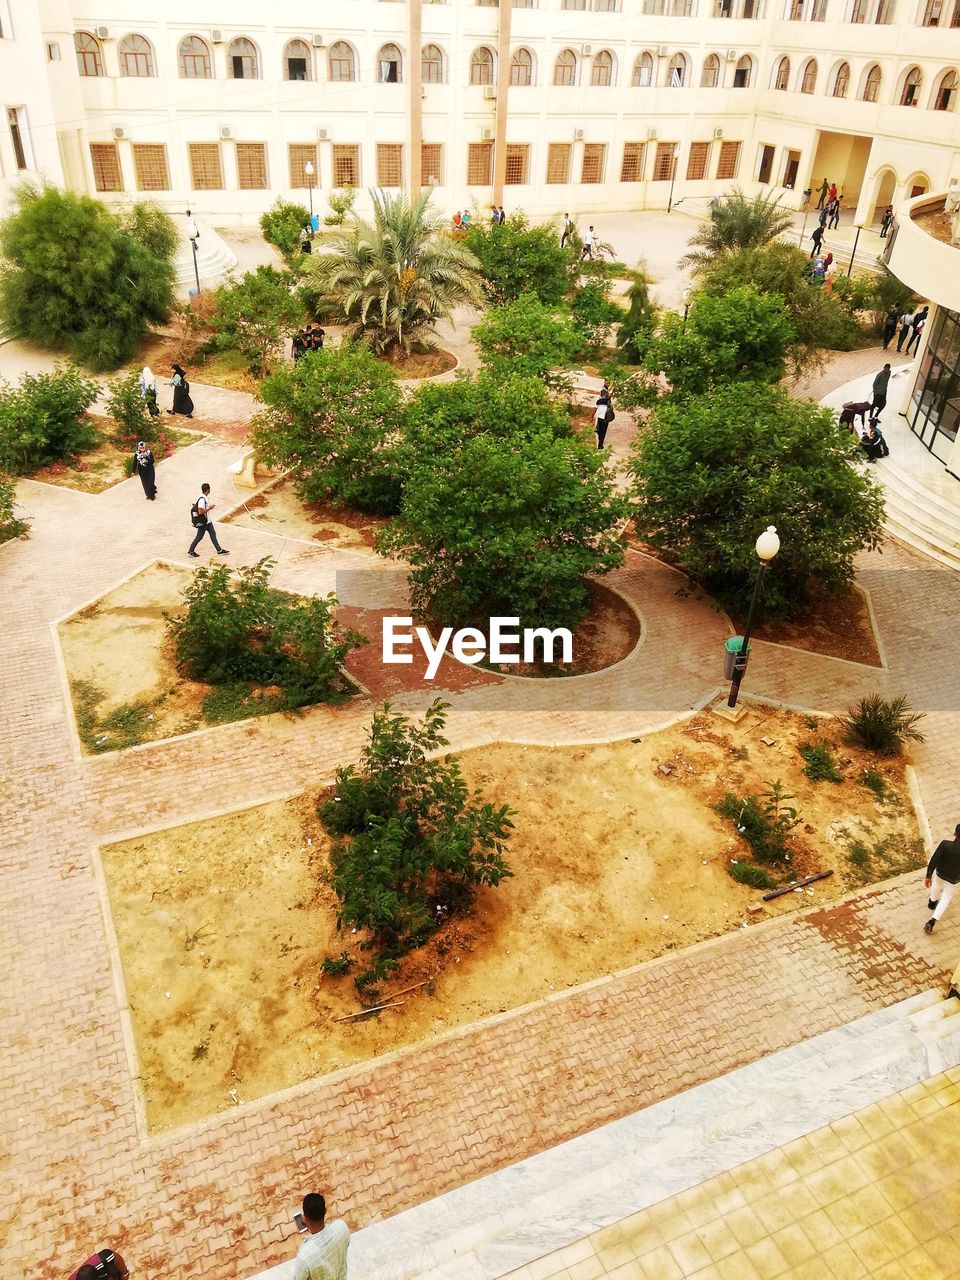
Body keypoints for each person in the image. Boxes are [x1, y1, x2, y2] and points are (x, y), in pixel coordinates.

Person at [292, 1192, 350, 1280]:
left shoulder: (304, 1256)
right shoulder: (342, 1227)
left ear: (305, 1219)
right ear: (325, 1211)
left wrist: (309, 1239)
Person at [924, 823, 960, 933]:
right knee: (946, 898)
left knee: (936, 885)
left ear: (955, 833)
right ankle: (932, 921)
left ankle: (932, 902)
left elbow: (935, 859)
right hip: (954, 878)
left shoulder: (945, 844)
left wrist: (928, 875)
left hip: (940, 873)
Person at [188, 482, 229, 557]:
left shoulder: (200, 497)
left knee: (213, 533)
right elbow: (200, 512)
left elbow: (194, 505)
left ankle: (219, 550)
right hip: (203, 521)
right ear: (208, 490)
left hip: (207, 521)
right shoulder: (202, 500)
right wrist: (209, 508)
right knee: (199, 537)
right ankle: (191, 551)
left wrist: (206, 508)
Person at [594, 384, 614, 450]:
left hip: (599, 418)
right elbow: (611, 409)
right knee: (603, 432)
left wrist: (591, 417)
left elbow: (595, 408)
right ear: (605, 395)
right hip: (605, 419)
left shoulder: (598, 401)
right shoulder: (607, 401)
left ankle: (599, 438)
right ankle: (600, 445)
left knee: (599, 430)